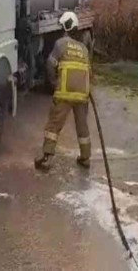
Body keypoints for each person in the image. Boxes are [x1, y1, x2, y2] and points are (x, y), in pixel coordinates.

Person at [35, 11, 92, 172]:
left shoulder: (61, 43)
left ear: (66, 26)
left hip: (64, 93)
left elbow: (50, 64)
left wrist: (54, 83)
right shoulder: (84, 49)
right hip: (83, 94)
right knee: (82, 127)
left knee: (54, 125)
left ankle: (46, 158)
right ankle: (85, 157)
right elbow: (89, 71)